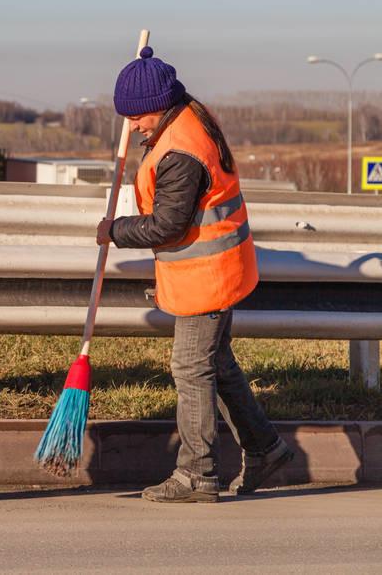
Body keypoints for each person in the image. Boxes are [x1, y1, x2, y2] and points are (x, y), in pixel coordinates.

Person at [97, 46, 293, 503]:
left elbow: (167, 224)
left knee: (189, 367)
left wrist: (114, 230)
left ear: (157, 106)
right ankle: (266, 449)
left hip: (208, 277)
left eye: (137, 116)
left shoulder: (181, 150)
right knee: (217, 366)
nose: (133, 125)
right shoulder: (187, 117)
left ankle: (197, 474)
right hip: (217, 269)